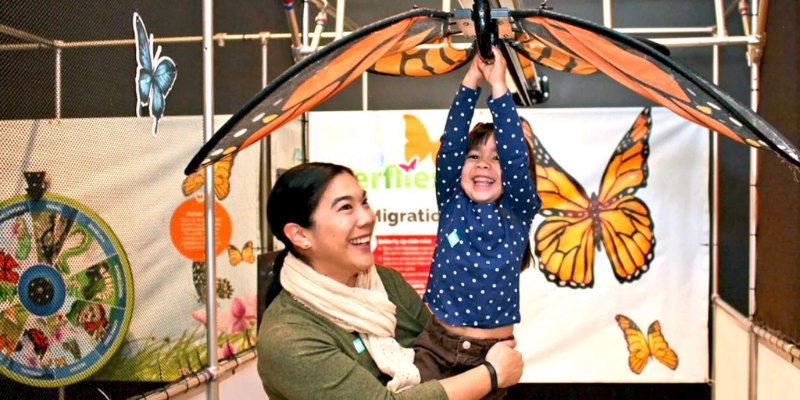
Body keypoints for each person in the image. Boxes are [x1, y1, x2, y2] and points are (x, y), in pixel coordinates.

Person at [256, 162, 523, 399]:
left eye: (364, 202)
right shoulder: (288, 338)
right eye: (346, 207)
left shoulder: (386, 282)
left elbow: (442, 356)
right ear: (300, 235)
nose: (367, 217)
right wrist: (490, 374)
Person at [414, 47, 541, 396]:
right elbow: (451, 144)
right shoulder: (453, 201)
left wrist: (498, 85)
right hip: (435, 347)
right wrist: (472, 78)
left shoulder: (518, 211)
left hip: (491, 356)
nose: (483, 165)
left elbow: (516, 156)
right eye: (474, 156)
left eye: (495, 159)